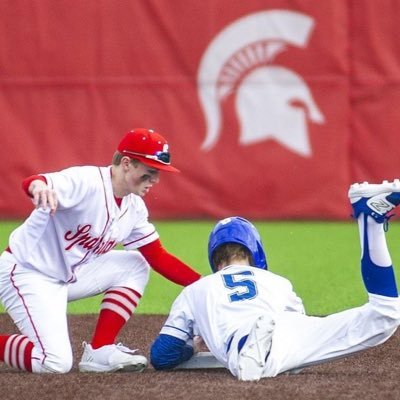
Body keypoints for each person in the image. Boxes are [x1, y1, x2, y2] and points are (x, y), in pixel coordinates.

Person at [150, 180, 400, 380]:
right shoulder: (277, 281)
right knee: (385, 315)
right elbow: (300, 323)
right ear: (254, 251)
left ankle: (252, 345)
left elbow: (161, 356)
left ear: (215, 260)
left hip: (243, 341)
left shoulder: (197, 289)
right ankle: (369, 220)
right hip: (290, 331)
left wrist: (194, 346)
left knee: (249, 365)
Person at [0, 128, 201, 374]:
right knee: (54, 363)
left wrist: (206, 284)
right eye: (149, 172)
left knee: (135, 264)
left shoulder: (134, 207)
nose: (155, 180)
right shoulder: (86, 182)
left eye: (157, 173)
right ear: (127, 163)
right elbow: (34, 181)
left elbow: (158, 257)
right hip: (27, 274)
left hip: (67, 276)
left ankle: (100, 350)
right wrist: (38, 188)